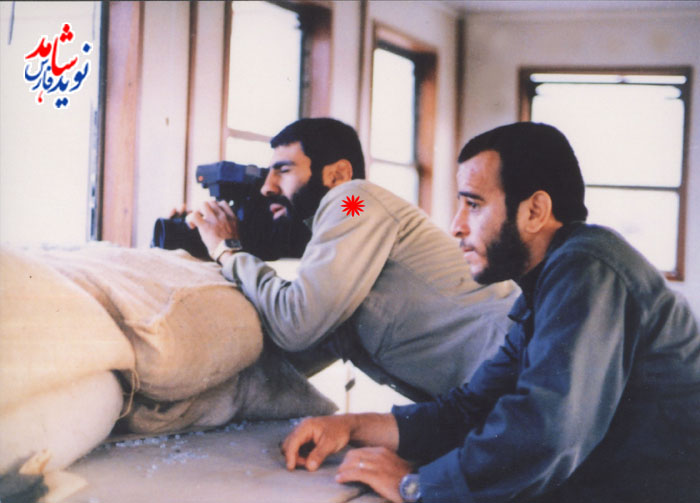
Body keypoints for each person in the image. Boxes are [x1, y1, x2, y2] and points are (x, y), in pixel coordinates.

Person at [281, 122, 700, 503]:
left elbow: (546, 432)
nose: (456, 226)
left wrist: (420, 487)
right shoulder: (543, 290)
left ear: (534, 211)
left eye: (474, 205)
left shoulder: (588, 268)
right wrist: (351, 426)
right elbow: (471, 408)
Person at [188, 118, 518, 401]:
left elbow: (296, 324)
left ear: (337, 174)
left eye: (283, 171)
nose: (267, 188)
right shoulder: (345, 236)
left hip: (520, 372)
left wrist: (227, 250)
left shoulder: (353, 201)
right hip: (498, 388)